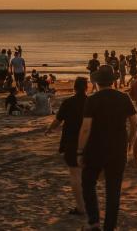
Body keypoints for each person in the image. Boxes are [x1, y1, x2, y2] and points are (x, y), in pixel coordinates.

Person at [77, 64, 137, 231]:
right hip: (118, 149)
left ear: (97, 81)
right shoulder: (123, 98)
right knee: (113, 190)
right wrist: (130, 142)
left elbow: (86, 128)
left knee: (88, 183)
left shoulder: (92, 100)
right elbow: (135, 123)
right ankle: (109, 227)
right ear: (113, 80)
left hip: (95, 149)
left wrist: (80, 150)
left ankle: (94, 222)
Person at [45, 77, 88, 216]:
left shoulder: (68, 102)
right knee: (86, 176)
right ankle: (88, 204)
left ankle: (81, 207)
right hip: (89, 142)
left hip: (71, 141)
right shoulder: (91, 102)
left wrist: (49, 129)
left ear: (74, 88)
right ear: (86, 88)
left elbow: (58, 120)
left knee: (75, 174)